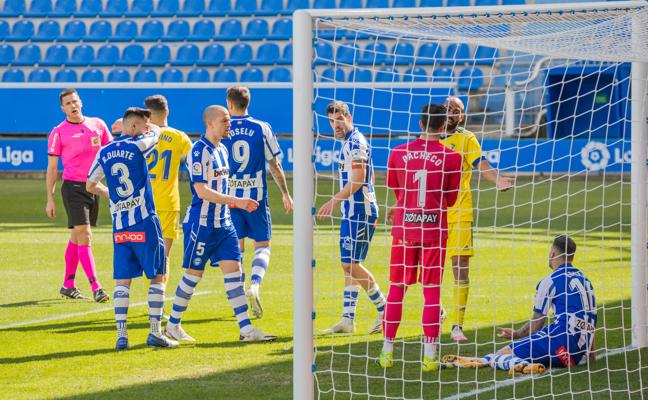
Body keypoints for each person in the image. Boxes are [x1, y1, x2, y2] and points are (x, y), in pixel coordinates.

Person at [165, 105, 277, 343]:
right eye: (225, 121)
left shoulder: (223, 151)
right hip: (202, 224)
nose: (229, 124)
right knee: (193, 275)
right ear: (210, 124)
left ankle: (246, 331)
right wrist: (237, 201)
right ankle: (172, 325)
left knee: (235, 273)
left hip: (224, 224)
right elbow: (202, 191)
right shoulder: (198, 151)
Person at [378, 103, 462, 372]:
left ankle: (387, 352)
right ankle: (428, 357)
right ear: (444, 126)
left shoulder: (397, 152)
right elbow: (450, 200)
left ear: (420, 124)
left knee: (396, 289)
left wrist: (407, 205)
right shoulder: (452, 158)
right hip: (434, 230)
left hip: (404, 229)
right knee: (432, 294)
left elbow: (397, 189)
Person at [86, 107, 178, 350]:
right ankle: (155, 332)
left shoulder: (104, 152)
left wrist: (112, 195)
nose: (147, 129)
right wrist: (151, 126)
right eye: (143, 126)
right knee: (157, 276)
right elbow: (158, 133)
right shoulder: (139, 144)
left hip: (120, 228)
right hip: (145, 223)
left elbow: (90, 184)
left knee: (122, 281)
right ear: (135, 127)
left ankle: (121, 336)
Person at [442, 235, 597, 375]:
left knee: (504, 353)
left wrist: (516, 335)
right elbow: (588, 317)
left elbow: (537, 322)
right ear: (572, 257)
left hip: (560, 343)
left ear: (552, 254)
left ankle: (517, 365)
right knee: (540, 337)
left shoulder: (550, 281)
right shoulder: (586, 281)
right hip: (576, 355)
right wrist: (591, 355)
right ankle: (485, 360)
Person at [441, 96, 515, 342]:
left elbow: (481, 165)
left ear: (462, 116)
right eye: (448, 108)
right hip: (431, 213)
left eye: (457, 110)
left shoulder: (466, 139)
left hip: (459, 212)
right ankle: (437, 309)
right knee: (425, 268)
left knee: (460, 269)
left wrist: (498, 180)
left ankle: (457, 326)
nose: (451, 112)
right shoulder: (428, 138)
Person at [222, 86, 293, 319]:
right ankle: (254, 284)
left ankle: (239, 300)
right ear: (248, 103)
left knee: (237, 249)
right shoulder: (262, 127)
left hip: (231, 198)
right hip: (256, 198)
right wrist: (285, 193)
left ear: (229, 104)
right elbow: (275, 164)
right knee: (262, 245)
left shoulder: (223, 127)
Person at [316, 101, 387, 335]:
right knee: (349, 266)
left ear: (348, 117)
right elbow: (370, 176)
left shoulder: (355, 142)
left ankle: (385, 310)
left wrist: (335, 200)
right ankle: (348, 320)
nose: (335, 125)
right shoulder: (350, 141)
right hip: (353, 212)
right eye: (331, 121)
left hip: (360, 212)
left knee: (350, 264)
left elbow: (358, 179)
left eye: (339, 120)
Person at [112, 95, 192, 281]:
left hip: (139, 204)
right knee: (163, 257)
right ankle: (157, 302)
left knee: (135, 254)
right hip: (167, 204)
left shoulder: (138, 137)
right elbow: (195, 163)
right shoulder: (179, 137)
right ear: (167, 111)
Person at [46, 88, 112, 303]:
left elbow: (110, 154)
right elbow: (52, 168)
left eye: (74, 101)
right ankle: (96, 287)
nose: (72, 106)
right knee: (85, 235)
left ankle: (68, 284)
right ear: (62, 108)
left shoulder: (98, 125)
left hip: (93, 188)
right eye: (68, 104)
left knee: (76, 237)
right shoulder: (58, 132)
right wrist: (50, 198)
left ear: (81, 102)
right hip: (73, 188)